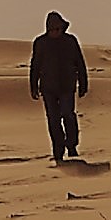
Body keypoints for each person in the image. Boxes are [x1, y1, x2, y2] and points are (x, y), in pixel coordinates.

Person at [30, 10, 88, 163]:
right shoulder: (41, 43)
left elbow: (80, 63)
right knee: (53, 120)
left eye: (59, 29)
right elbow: (35, 65)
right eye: (53, 29)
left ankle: (72, 145)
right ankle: (58, 150)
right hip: (48, 88)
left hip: (67, 86)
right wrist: (33, 86)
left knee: (68, 115)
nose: (56, 32)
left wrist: (83, 84)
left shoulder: (70, 41)